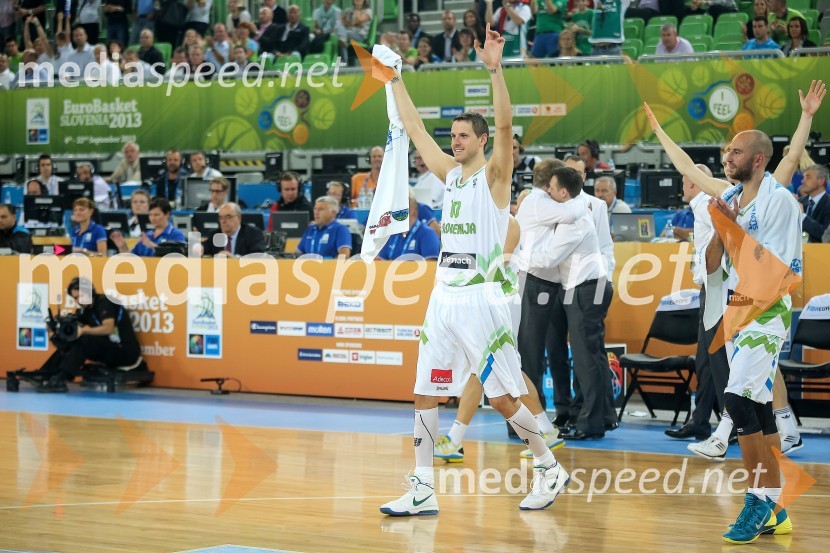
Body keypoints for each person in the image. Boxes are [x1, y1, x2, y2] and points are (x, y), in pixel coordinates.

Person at [380, 24, 570, 516]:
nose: (455, 140)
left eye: (464, 135)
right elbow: (417, 129)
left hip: (482, 299)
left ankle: (549, 467)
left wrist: (496, 71)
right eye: (455, 135)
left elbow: (506, 127)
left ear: (482, 140)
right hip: (443, 294)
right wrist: (393, 78)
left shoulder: (494, 176)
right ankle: (422, 487)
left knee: (506, 399)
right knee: (424, 391)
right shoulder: (450, 175)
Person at [643, 80, 824, 542]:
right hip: (739, 307)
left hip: (769, 307)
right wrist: (660, 131)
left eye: (736, 151)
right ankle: (777, 507)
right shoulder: (730, 199)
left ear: (757, 159)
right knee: (755, 410)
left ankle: (756, 503)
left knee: (740, 402)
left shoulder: (775, 191)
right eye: (726, 150)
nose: (727, 156)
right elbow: (709, 257)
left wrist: (805, 116)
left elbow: (786, 158)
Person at [32, 277, 142, 393]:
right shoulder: (86, 311)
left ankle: (61, 380)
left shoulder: (105, 302)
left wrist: (84, 331)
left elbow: (108, 328)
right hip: (109, 349)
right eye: (75, 298)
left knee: (84, 340)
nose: (78, 300)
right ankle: (44, 373)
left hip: (125, 352)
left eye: (80, 296)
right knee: (75, 341)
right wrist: (55, 331)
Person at [111, 197, 184, 256]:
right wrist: (122, 246)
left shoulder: (176, 234)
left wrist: (153, 246)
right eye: (150, 215)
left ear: (167, 214)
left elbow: (179, 257)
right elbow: (132, 259)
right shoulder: (147, 235)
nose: (153, 218)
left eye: (156, 215)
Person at [378, 192, 440, 260]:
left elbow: (430, 266)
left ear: (411, 210)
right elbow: (381, 263)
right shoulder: (391, 234)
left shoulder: (427, 234)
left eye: (397, 209)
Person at [799, 164, 829, 243]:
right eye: (803, 177)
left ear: (821, 181)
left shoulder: (828, 203)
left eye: (808, 177)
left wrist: (803, 217)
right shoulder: (799, 202)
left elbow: (826, 235)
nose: (803, 181)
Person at [511, 134, 541, 198]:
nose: (511, 152)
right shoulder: (500, 170)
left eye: (514, 148)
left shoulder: (533, 162)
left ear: (520, 149)